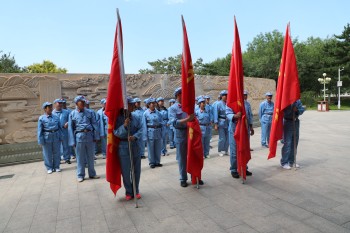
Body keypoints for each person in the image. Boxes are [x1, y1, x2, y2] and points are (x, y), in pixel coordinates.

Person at [168, 87, 203, 187]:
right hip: (180, 135)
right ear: (178, 95)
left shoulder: (189, 106)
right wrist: (187, 120)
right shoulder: (173, 108)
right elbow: (173, 122)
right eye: (184, 94)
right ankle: (183, 178)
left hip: (191, 134)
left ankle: (195, 176)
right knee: (182, 158)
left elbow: (195, 118)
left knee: (193, 155)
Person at [113, 97, 143, 200]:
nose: (133, 106)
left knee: (136, 170)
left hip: (134, 145)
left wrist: (135, 137)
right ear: (125, 106)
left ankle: (136, 190)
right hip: (123, 146)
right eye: (130, 104)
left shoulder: (136, 116)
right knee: (126, 171)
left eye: (133, 104)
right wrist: (124, 126)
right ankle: (129, 192)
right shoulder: (118, 118)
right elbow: (116, 132)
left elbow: (141, 129)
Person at [68, 96, 100, 182]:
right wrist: (72, 141)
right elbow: (70, 128)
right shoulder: (72, 114)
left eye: (83, 102)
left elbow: (95, 124)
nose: (83, 103)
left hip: (89, 135)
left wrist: (96, 136)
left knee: (91, 156)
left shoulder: (90, 112)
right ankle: (80, 175)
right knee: (80, 157)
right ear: (76, 104)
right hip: (79, 137)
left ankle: (92, 174)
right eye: (80, 102)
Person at [226, 105, 252, 178]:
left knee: (244, 150)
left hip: (245, 130)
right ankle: (234, 169)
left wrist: (251, 126)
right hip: (234, 130)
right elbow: (228, 113)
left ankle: (244, 167)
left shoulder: (246, 104)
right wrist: (234, 116)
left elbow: (249, 115)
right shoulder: (231, 103)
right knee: (234, 152)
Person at [37, 102, 63, 174]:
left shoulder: (56, 117)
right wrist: (40, 141)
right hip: (47, 137)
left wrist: (61, 137)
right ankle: (49, 167)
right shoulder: (41, 118)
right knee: (47, 154)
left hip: (56, 136)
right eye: (49, 107)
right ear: (45, 109)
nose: (51, 109)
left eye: (51, 107)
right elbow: (40, 130)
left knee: (57, 153)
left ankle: (57, 166)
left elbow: (60, 128)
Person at [281, 100, 305, 170]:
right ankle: (284, 162)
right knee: (287, 143)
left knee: (295, 142)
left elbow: (302, 109)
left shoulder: (298, 101)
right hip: (288, 122)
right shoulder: (286, 100)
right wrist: (291, 108)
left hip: (296, 122)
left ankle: (291, 161)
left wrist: (297, 110)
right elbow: (284, 111)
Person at [142, 98, 163, 168]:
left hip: (158, 131)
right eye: (151, 103)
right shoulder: (145, 113)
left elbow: (161, 122)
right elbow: (144, 125)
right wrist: (145, 135)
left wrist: (162, 131)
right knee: (150, 148)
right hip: (150, 132)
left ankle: (157, 161)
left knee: (158, 147)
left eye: (154, 103)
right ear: (148, 104)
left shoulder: (158, 113)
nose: (153, 104)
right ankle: (152, 162)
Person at [52, 98, 71, 164]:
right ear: (55, 104)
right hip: (56, 132)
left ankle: (67, 158)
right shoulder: (52, 113)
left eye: (61, 103)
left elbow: (70, 119)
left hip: (64, 131)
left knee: (66, 145)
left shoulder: (66, 112)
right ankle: (58, 159)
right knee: (57, 146)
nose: (60, 104)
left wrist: (67, 123)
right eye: (58, 103)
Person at [214, 90, 229, 156]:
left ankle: (225, 150)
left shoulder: (228, 103)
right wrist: (216, 124)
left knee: (228, 137)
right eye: (224, 95)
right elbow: (215, 114)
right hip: (221, 122)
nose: (226, 96)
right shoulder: (218, 104)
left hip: (227, 122)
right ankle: (220, 150)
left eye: (226, 95)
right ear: (221, 96)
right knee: (222, 138)